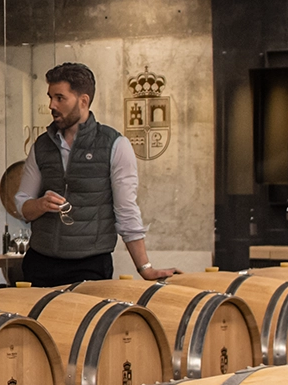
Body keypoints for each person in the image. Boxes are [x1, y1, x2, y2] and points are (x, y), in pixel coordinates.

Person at [13, 62, 178, 286]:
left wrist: (145, 268)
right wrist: (40, 204)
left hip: (90, 265)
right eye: (50, 97)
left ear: (83, 100)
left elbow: (126, 211)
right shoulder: (41, 146)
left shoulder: (115, 145)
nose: (52, 105)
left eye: (60, 98)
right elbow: (22, 205)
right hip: (40, 263)